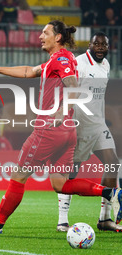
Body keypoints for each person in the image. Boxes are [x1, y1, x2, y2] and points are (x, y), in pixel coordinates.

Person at [0, 20, 122, 234]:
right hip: (68, 133)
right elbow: (29, 71)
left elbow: (74, 89)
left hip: (49, 130)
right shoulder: (56, 60)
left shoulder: (62, 59)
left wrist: (60, 111)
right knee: (61, 184)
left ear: (58, 37)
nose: (40, 36)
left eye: (45, 32)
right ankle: (110, 193)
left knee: (19, 175)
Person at [57, 32, 122, 232]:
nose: (101, 47)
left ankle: (104, 219)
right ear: (90, 45)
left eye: (104, 44)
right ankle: (62, 220)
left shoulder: (106, 65)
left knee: (112, 162)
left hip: (98, 124)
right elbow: (68, 90)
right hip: (80, 124)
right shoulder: (79, 63)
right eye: (97, 44)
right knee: (71, 171)